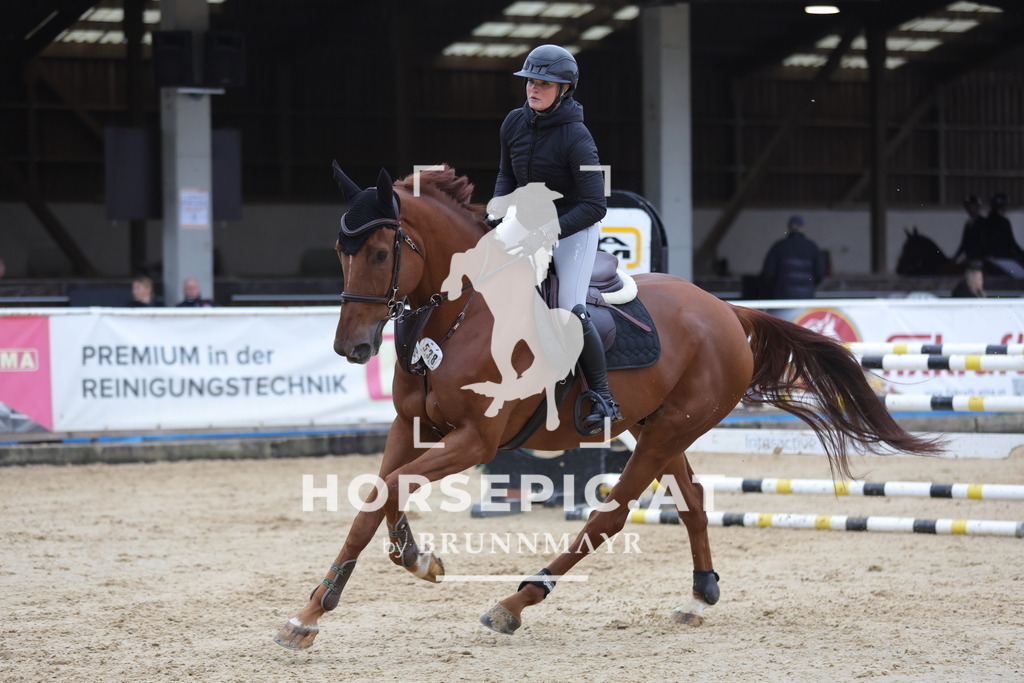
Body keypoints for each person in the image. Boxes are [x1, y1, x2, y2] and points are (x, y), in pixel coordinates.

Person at [490, 44, 619, 435]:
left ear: (564, 90)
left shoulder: (578, 137)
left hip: (573, 228)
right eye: (531, 81)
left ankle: (602, 396)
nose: (534, 89)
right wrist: (497, 214)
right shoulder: (513, 122)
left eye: (545, 84)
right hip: (526, 221)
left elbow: (596, 205)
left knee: (567, 306)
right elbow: (505, 176)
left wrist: (548, 232)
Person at [758, 215, 827, 299]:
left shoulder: (779, 246)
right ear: (802, 227)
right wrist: (810, 285)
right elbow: (820, 272)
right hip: (806, 296)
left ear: (789, 227)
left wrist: (776, 288)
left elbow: (768, 273)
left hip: (783, 296)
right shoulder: (812, 247)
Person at [981, 193, 1024, 274]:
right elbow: (1012, 243)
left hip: (989, 258)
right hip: (1002, 258)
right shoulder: (1004, 222)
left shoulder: (986, 221)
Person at [951, 194, 984, 264]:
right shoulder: (968, 224)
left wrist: (970, 257)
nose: (969, 208)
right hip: (969, 258)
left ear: (977, 206)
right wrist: (955, 257)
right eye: (967, 206)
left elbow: (982, 244)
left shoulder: (983, 222)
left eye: (971, 205)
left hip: (979, 258)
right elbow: (964, 244)